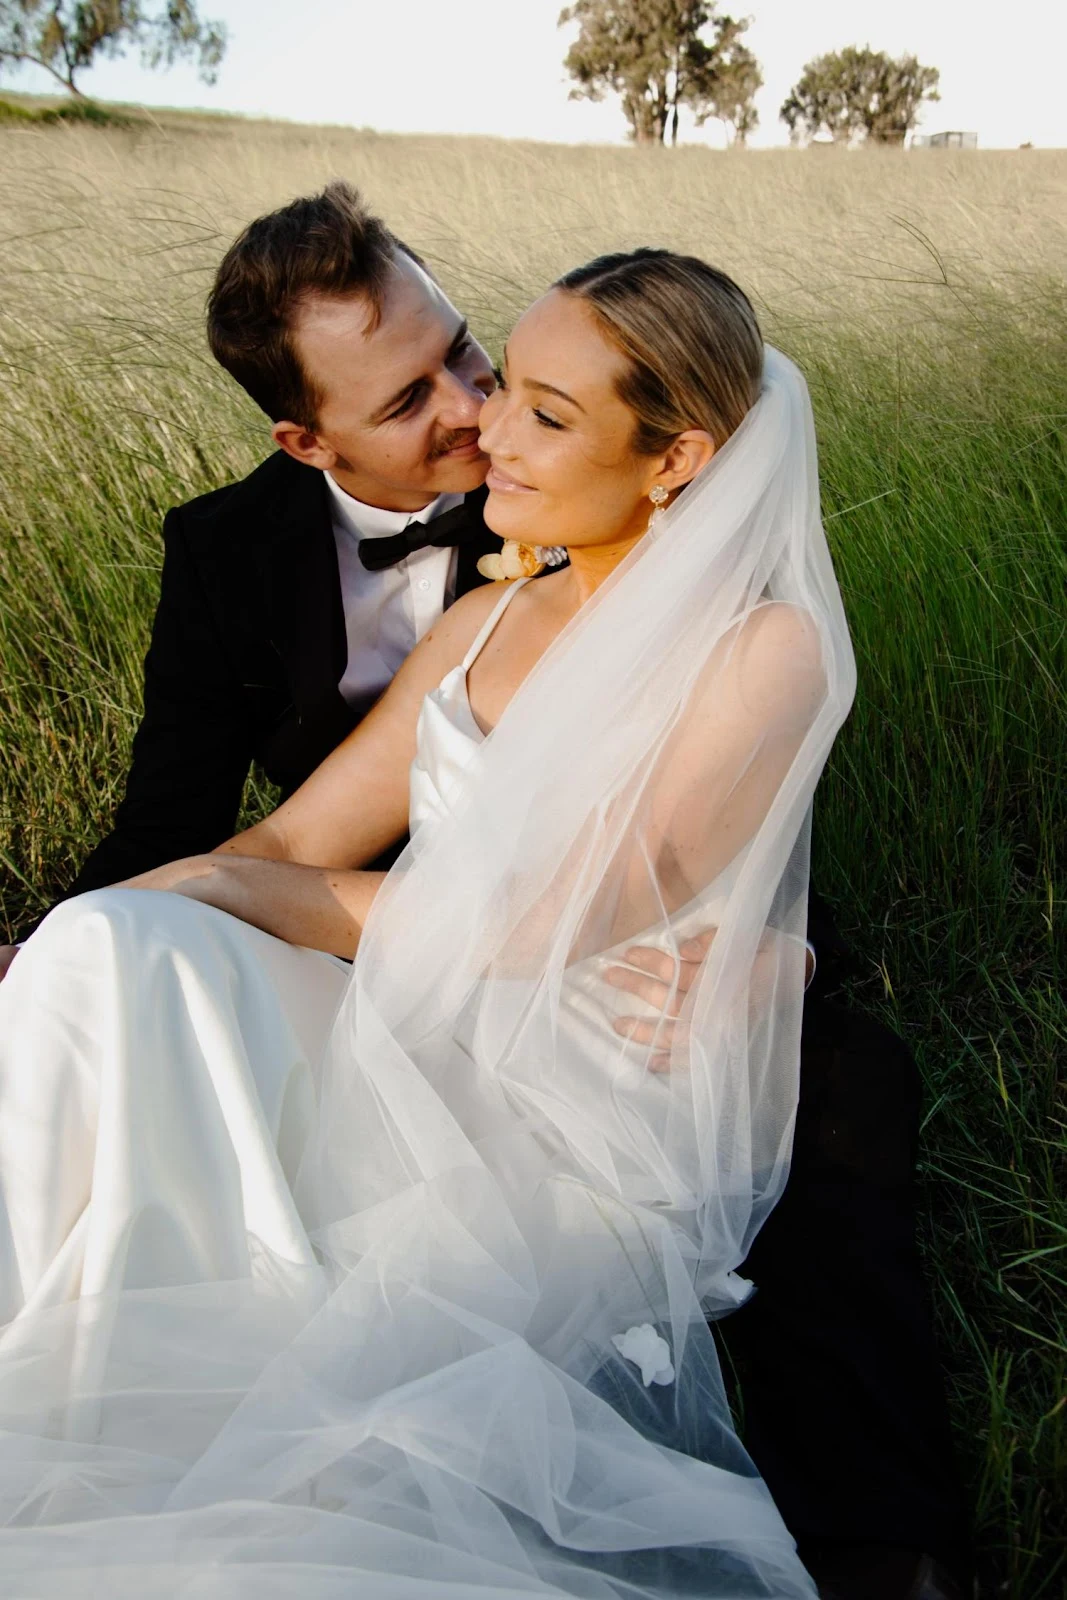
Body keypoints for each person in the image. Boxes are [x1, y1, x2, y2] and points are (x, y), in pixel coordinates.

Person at [0, 187, 969, 1597]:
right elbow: (258, 843)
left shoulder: (759, 646)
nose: (480, 425)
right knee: (104, 952)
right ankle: (56, 1348)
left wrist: (786, 955)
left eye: (514, 391)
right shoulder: (461, 606)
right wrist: (73, 935)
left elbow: (554, 917)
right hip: (411, 973)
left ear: (676, 459)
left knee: (847, 1109)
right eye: (445, 394)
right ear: (309, 438)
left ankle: (895, 1549)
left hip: (594, 1046)